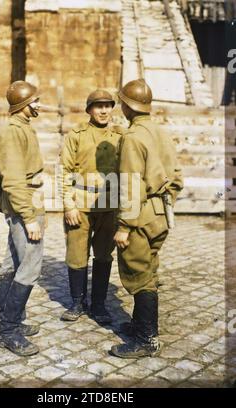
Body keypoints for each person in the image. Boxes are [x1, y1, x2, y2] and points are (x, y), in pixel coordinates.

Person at [111, 79, 183, 359]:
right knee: (150, 271)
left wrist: (124, 226)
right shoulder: (160, 132)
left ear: (127, 106)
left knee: (138, 275)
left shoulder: (132, 137)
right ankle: (142, 325)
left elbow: (130, 185)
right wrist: (166, 202)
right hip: (160, 214)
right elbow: (177, 176)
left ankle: (146, 340)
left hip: (139, 217)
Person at [0, 80, 46, 356]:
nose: (38, 105)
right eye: (34, 101)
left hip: (27, 201)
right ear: (23, 105)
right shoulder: (13, 132)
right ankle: (9, 330)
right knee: (30, 265)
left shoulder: (23, 127)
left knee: (12, 260)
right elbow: (13, 181)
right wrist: (29, 218)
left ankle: (3, 317)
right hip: (25, 204)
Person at [59, 89, 123, 324]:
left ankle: (98, 305)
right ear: (89, 110)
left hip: (110, 206)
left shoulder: (120, 135)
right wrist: (68, 205)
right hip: (81, 205)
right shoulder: (76, 135)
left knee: (104, 255)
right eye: (98, 106)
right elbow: (64, 170)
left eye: (108, 105)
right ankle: (77, 302)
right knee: (76, 255)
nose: (104, 110)